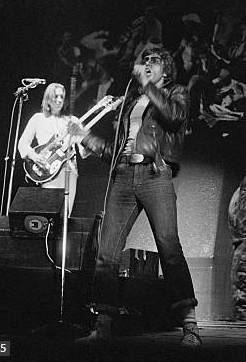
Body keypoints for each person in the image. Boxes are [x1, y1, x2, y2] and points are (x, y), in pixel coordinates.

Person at [70, 48, 201, 346]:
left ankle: (190, 326)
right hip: (123, 176)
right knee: (107, 254)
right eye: (144, 62)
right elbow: (113, 150)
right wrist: (85, 136)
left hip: (155, 175)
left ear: (165, 70)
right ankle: (102, 325)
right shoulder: (131, 103)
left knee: (169, 248)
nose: (146, 65)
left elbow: (175, 117)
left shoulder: (175, 93)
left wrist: (147, 84)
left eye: (153, 62)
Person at [18, 83, 80, 214]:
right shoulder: (38, 118)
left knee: (65, 215)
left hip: (69, 169)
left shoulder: (72, 120)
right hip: (47, 170)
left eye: (61, 97)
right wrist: (34, 156)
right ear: (47, 99)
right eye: (55, 96)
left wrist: (89, 141)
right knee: (49, 213)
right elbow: (22, 144)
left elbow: (85, 151)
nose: (58, 100)